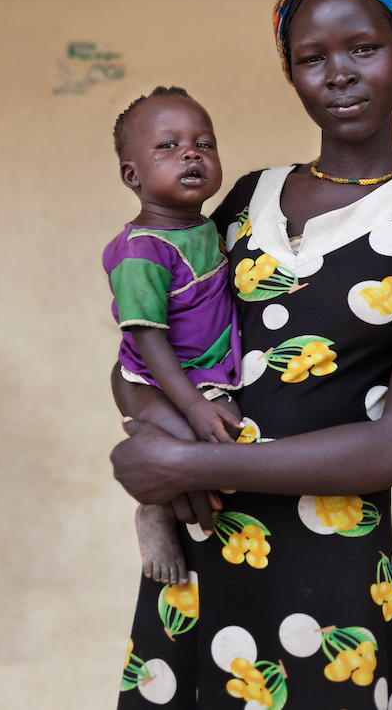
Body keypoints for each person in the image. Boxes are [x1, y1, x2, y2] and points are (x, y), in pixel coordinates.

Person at [111, 0, 392, 709]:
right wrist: (158, 428)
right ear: (290, 71)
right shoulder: (241, 203)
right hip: (202, 565)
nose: (338, 73)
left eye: (364, 48)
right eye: (310, 57)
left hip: (333, 580)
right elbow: (141, 349)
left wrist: (187, 466)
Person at [103, 87, 243, 585]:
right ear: (132, 175)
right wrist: (193, 406)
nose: (191, 153)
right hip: (153, 379)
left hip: (199, 375)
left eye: (204, 144)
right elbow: (148, 338)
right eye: (167, 146)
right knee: (190, 448)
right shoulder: (141, 249)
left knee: (223, 457)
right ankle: (154, 512)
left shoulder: (207, 229)